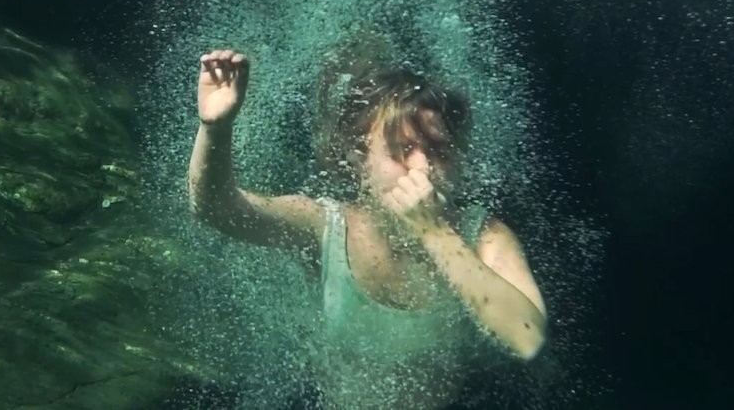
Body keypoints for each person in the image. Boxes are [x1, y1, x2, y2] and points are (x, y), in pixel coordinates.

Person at [187, 45, 547, 408]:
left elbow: (527, 339)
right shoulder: (325, 226)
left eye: (439, 150)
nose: (421, 167)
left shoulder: (482, 235)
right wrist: (215, 129)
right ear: (361, 159)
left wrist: (434, 232)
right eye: (401, 150)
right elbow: (218, 210)